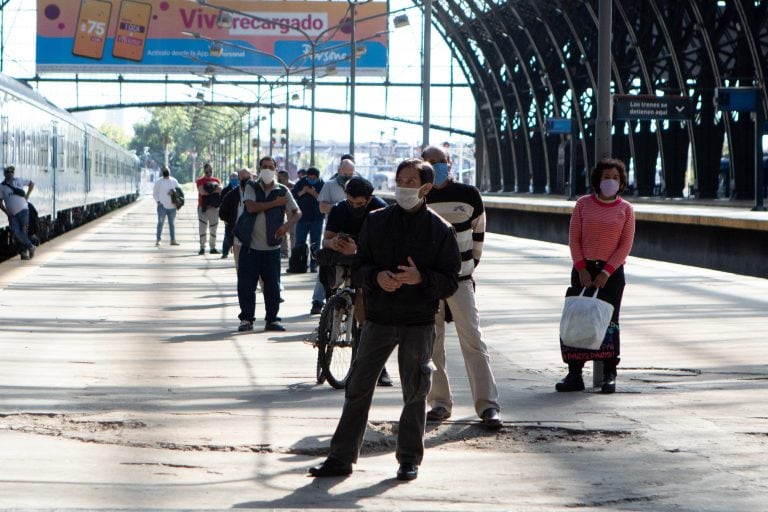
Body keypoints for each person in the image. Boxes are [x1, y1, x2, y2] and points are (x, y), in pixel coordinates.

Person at [309, 158, 460, 481]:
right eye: (400, 180)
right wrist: (376, 278)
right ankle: (341, 457)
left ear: (426, 188)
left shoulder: (440, 230)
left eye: (411, 181)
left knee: (415, 391)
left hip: (418, 320)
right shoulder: (376, 222)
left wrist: (421, 278)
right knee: (359, 387)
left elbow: (449, 280)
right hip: (379, 317)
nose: (404, 187)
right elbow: (360, 264)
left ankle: (408, 458)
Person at [421, 145, 502, 429]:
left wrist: (468, 266)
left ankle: (488, 405)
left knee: (474, 342)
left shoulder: (469, 195)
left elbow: (479, 235)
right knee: (432, 344)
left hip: (460, 280)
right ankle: (440, 403)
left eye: (439, 161)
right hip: (428, 284)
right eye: (429, 162)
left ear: (450, 162)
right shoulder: (420, 196)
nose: (435, 165)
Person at [556, 158, 635, 394]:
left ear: (621, 182)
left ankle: (610, 373)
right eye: (605, 177)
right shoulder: (582, 205)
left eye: (615, 178)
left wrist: (606, 272)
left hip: (611, 273)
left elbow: (625, 245)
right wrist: (581, 268)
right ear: (597, 180)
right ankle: (574, 373)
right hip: (583, 270)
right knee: (578, 317)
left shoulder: (626, 209)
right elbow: (574, 239)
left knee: (609, 321)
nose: (610, 181)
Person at [321, 176, 393, 387]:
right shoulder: (338, 210)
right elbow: (326, 239)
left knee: (365, 302)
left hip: (370, 261)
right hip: (342, 258)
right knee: (329, 277)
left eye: (360, 204)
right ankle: (330, 316)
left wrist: (359, 250)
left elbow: (386, 246)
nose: (354, 207)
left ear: (369, 199)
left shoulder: (381, 210)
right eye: (351, 202)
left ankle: (379, 367)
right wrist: (333, 243)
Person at [236, 156, 301, 332]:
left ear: (275, 170)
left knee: (272, 287)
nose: (267, 170)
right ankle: (246, 319)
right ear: (259, 169)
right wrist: (275, 203)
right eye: (264, 167)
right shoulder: (251, 186)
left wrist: (286, 226)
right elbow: (251, 207)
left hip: (272, 248)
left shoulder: (283, 191)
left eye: (270, 167)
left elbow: (296, 212)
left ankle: (272, 319)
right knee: (246, 285)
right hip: (250, 247)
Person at [292, 167, 324, 277]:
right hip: (302, 218)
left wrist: (313, 193)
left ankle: (314, 264)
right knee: (300, 242)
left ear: (318, 177)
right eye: (309, 178)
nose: (311, 180)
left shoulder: (322, 184)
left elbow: (324, 199)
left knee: (315, 243)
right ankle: (299, 264)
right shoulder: (301, 182)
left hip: (317, 218)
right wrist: (303, 191)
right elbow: (293, 195)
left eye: (313, 178)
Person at [0, 165, 36, 260]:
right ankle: (31, 246)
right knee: (16, 232)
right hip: (12, 214)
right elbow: (0, 202)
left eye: (12, 172)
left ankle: (24, 253)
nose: (10, 174)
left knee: (23, 232)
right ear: (4, 174)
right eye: (8, 172)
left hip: (24, 211)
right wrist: (6, 212)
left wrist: (27, 196)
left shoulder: (19, 180)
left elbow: (31, 183)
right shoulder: (2, 187)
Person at [196, 163, 222, 255]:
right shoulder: (200, 180)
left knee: (213, 229)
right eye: (207, 171)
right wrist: (214, 190)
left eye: (210, 170)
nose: (209, 172)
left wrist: (209, 190)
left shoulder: (216, 180)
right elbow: (202, 192)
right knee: (202, 229)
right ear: (204, 171)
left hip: (214, 208)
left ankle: (213, 247)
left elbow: (220, 191)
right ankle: (202, 247)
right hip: (203, 207)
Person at [152, 166, 181, 247]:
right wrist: (158, 201)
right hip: (162, 206)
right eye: (164, 170)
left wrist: (174, 192)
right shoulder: (159, 182)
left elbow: (179, 191)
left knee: (172, 224)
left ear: (169, 171)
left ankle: (173, 240)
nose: (166, 171)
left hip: (172, 207)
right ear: (162, 172)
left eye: (167, 170)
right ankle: (158, 240)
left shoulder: (174, 181)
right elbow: (155, 193)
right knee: (160, 223)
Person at [218, 172, 239, 258]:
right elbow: (222, 204)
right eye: (232, 177)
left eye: (235, 177)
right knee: (227, 234)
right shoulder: (225, 190)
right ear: (229, 179)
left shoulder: (242, 189)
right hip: (229, 217)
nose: (234, 178)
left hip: (239, 217)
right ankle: (225, 252)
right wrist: (225, 218)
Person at [277, 170, 296, 257]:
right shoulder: (277, 187)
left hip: (292, 213)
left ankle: (294, 254)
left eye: (281, 180)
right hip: (281, 212)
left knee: (293, 234)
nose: (279, 181)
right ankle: (284, 251)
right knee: (281, 231)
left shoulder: (294, 187)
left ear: (287, 179)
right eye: (278, 179)